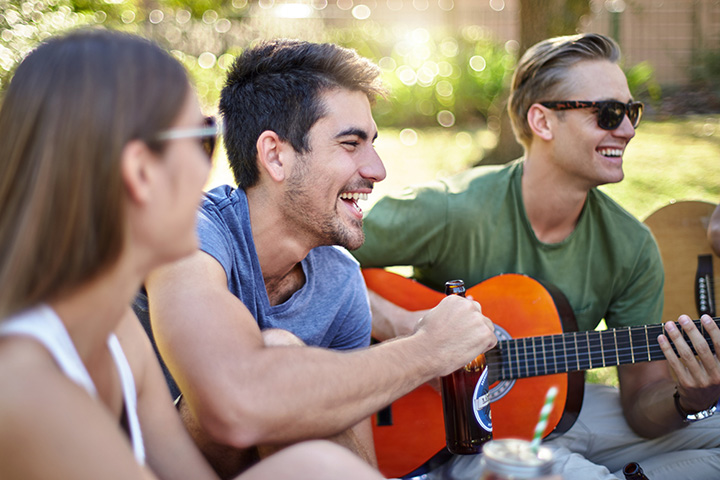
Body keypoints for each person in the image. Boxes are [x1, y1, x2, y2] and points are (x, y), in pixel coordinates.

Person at [0, 29, 389, 480]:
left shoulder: (112, 332)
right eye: (203, 140)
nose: (215, 175)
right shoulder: (24, 384)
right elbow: (238, 402)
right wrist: (424, 349)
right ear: (140, 171)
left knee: (312, 465)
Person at [352, 33, 720, 479]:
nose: (627, 130)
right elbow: (307, 250)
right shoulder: (451, 210)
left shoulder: (631, 246)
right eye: (608, 113)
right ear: (542, 122)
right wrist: (408, 329)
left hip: (559, 408)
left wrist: (691, 399)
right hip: (458, 436)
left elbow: (643, 408)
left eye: (631, 112)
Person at [134, 38, 497, 478]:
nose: (377, 169)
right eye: (350, 143)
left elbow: (356, 463)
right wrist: (427, 350)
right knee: (281, 354)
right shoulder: (191, 235)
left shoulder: (340, 281)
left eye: (373, 144)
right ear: (275, 156)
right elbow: (234, 403)